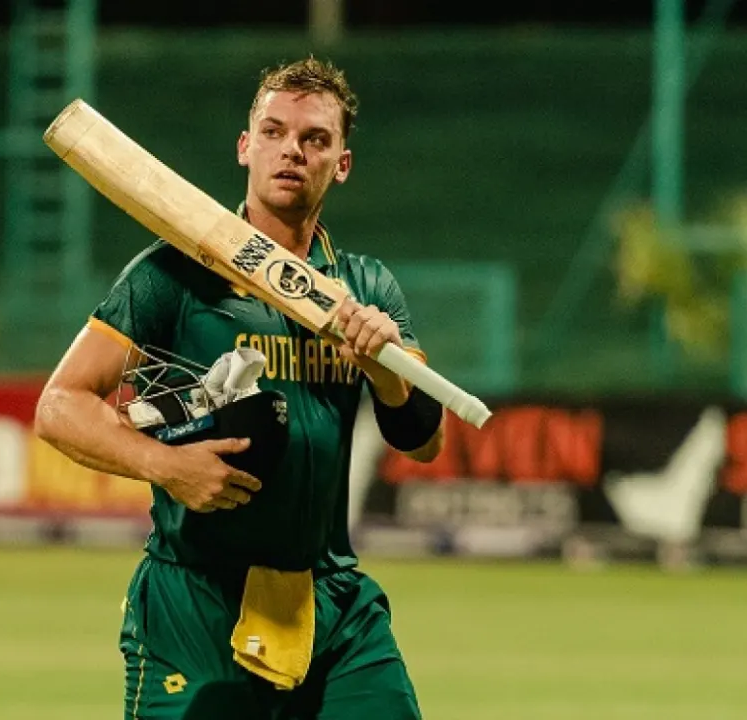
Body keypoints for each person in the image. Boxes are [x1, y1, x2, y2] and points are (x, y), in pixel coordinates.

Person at [34, 55, 446, 720]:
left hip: (330, 598)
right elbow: (60, 405)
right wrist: (165, 465)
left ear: (341, 162)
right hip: (195, 599)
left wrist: (383, 366)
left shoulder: (366, 290)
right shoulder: (171, 275)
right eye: (275, 132)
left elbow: (424, 441)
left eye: (315, 139)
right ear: (245, 147)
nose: (292, 151)